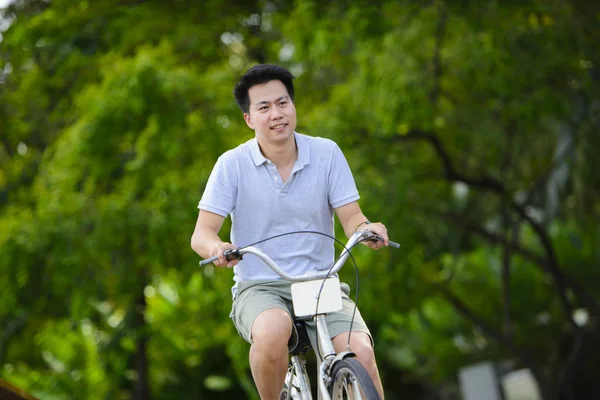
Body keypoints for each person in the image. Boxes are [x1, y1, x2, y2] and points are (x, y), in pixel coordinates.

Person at [191, 64, 389, 399]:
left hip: (320, 283)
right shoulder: (231, 165)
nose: (276, 114)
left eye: (282, 103)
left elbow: (352, 216)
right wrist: (218, 249)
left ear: (293, 106)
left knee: (362, 353)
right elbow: (202, 234)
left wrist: (368, 229)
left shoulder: (326, 153)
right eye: (264, 107)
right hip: (260, 286)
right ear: (249, 119)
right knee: (272, 330)